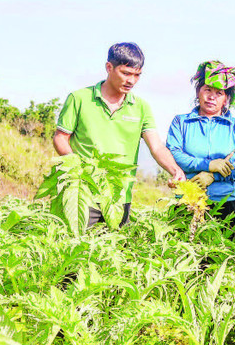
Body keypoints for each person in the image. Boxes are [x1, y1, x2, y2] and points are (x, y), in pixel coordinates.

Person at [54, 42, 185, 226]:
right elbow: (61, 138)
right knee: (79, 249)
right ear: (109, 67)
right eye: (126, 73)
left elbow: (156, 147)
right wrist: (79, 167)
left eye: (137, 75)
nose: (131, 80)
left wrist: (174, 170)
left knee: (115, 251)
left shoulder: (141, 107)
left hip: (119, 197)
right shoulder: (79, 98)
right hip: (82, 194)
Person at [166, 60, 235, 228]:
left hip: (224, 203)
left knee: (219, 252)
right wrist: (209, 164)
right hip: (187, 198)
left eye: (219, 93)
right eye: (207, 90)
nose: (212, 96)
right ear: (198, 91)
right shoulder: (181, 122)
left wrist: (214, 176)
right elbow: (174, 154)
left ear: (226, 98)